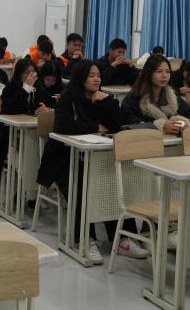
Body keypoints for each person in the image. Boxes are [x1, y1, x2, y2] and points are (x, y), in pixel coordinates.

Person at [36, 59, 125, 263]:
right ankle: (85, 238)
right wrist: (95, 127)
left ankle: (121, 238)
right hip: (62, 160)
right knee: (82, 187)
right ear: (81, 78)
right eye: (91, 76)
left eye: (98, 75)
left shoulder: (100, 98)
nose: (96, 79)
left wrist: (108, 100)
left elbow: (117, 124)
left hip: (91, 158)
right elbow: (63, 125)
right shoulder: (68, 97)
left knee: (112, 183)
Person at [122, 54, 190, 134]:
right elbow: (130, 125)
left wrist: (184, 123)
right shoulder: (133, 98)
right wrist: (160, 127)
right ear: (149, 73)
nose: (164, 76)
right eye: (159, 71)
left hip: (172, 140)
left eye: (168, 71)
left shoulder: (172, 96)